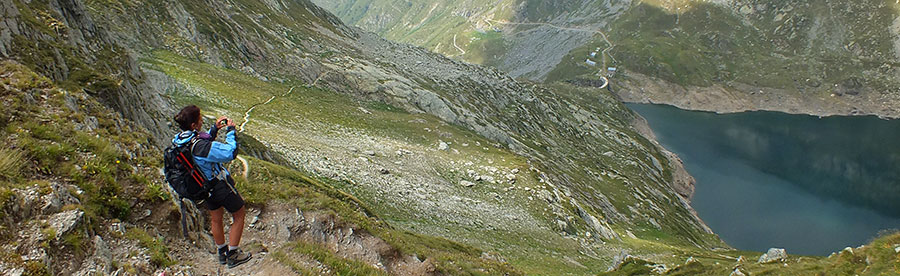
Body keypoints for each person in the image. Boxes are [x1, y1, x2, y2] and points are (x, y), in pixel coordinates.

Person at [172, 105, 252, 268]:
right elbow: (230, 153)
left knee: (216, 218)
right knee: (239, 213)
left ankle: (222, 252)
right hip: (218, 185)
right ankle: (234, 254)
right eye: (199, 118)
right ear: (194, 125)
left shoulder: (181, 139)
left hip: (203, 187)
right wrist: (230, 131)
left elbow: (201, 142)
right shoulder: (200, 146)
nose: (202, 120)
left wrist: (214, 130)